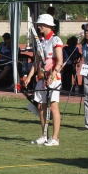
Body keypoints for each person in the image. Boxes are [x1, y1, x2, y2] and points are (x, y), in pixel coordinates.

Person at [24, 14, 63, 146]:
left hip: (53, 79)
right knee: (41, 107)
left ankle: (55, 138)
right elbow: (36, 62)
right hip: (41, 78)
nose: (39, 26)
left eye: (41, 24)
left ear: (48, 25)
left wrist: (53, 74)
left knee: (53, 107)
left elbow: (60, 61)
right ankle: (44, 135)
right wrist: (29, 77)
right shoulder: (41, 41)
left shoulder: (56, 40)